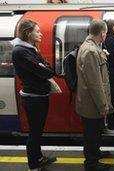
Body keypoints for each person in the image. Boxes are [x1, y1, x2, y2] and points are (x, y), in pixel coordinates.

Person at [12, 19, 57, 171]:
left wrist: (44, 66)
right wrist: (44, 67)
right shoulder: (21, 51)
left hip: (39, 96)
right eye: (37, 31)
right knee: (35, 132)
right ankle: (34, 165)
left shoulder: (31, 49)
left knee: (38, 131)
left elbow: (47, 68)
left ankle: (38, 158)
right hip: (33, 99)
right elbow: (47, 71)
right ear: (28, 33)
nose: (41, 34)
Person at [76, 20, 112, 171]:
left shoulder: (92, 47)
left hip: (90, 102)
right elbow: (95, 83)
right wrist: (103, 106)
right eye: (106, 33)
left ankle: (95, 153)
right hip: (92, 104)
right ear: (102, 33)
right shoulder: (91, 51)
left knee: (95, 133)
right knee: (92, 134)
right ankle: (91, 163)